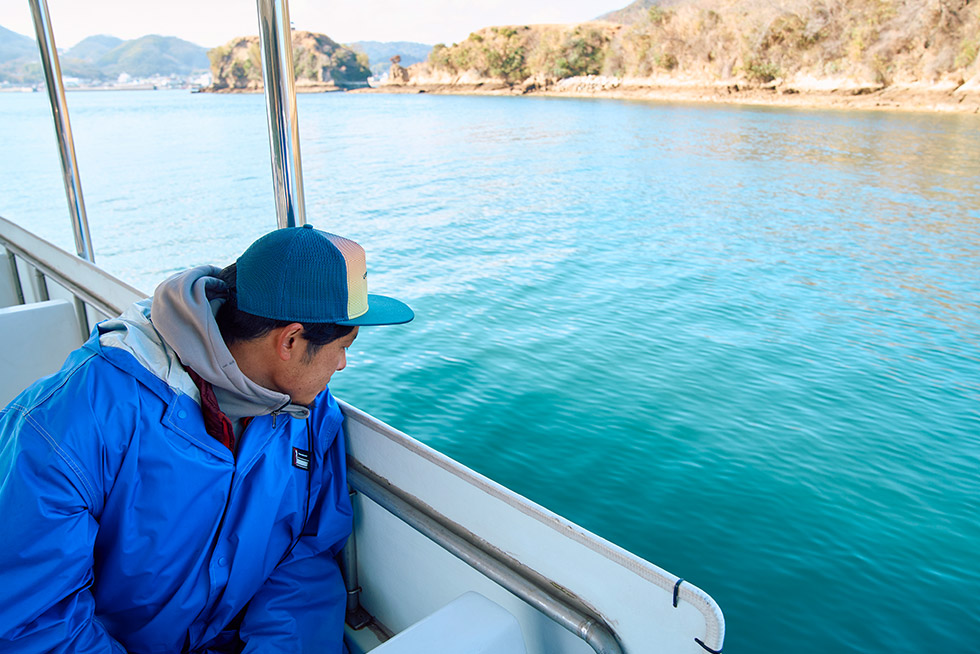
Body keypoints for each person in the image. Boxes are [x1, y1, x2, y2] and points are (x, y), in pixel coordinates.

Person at [0, 225, 413, 653]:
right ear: (290, 340)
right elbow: (32, 619)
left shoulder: (309, 412)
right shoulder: (73, 419)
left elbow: (303, 556)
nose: (342, 364)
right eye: (345, 345)